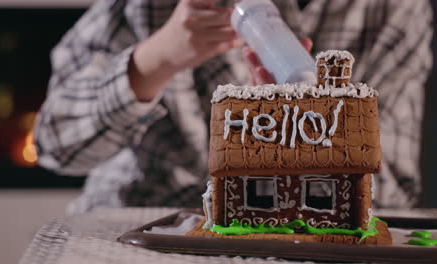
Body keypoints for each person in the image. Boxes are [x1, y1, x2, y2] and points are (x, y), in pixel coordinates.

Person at [34, 0, 433, 214]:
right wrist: (156, 59)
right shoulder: (144, 6)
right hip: (145, 215)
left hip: (298, 224)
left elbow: (383, 187)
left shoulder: (392, 8)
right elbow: (54, 146)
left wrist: (296, 136)